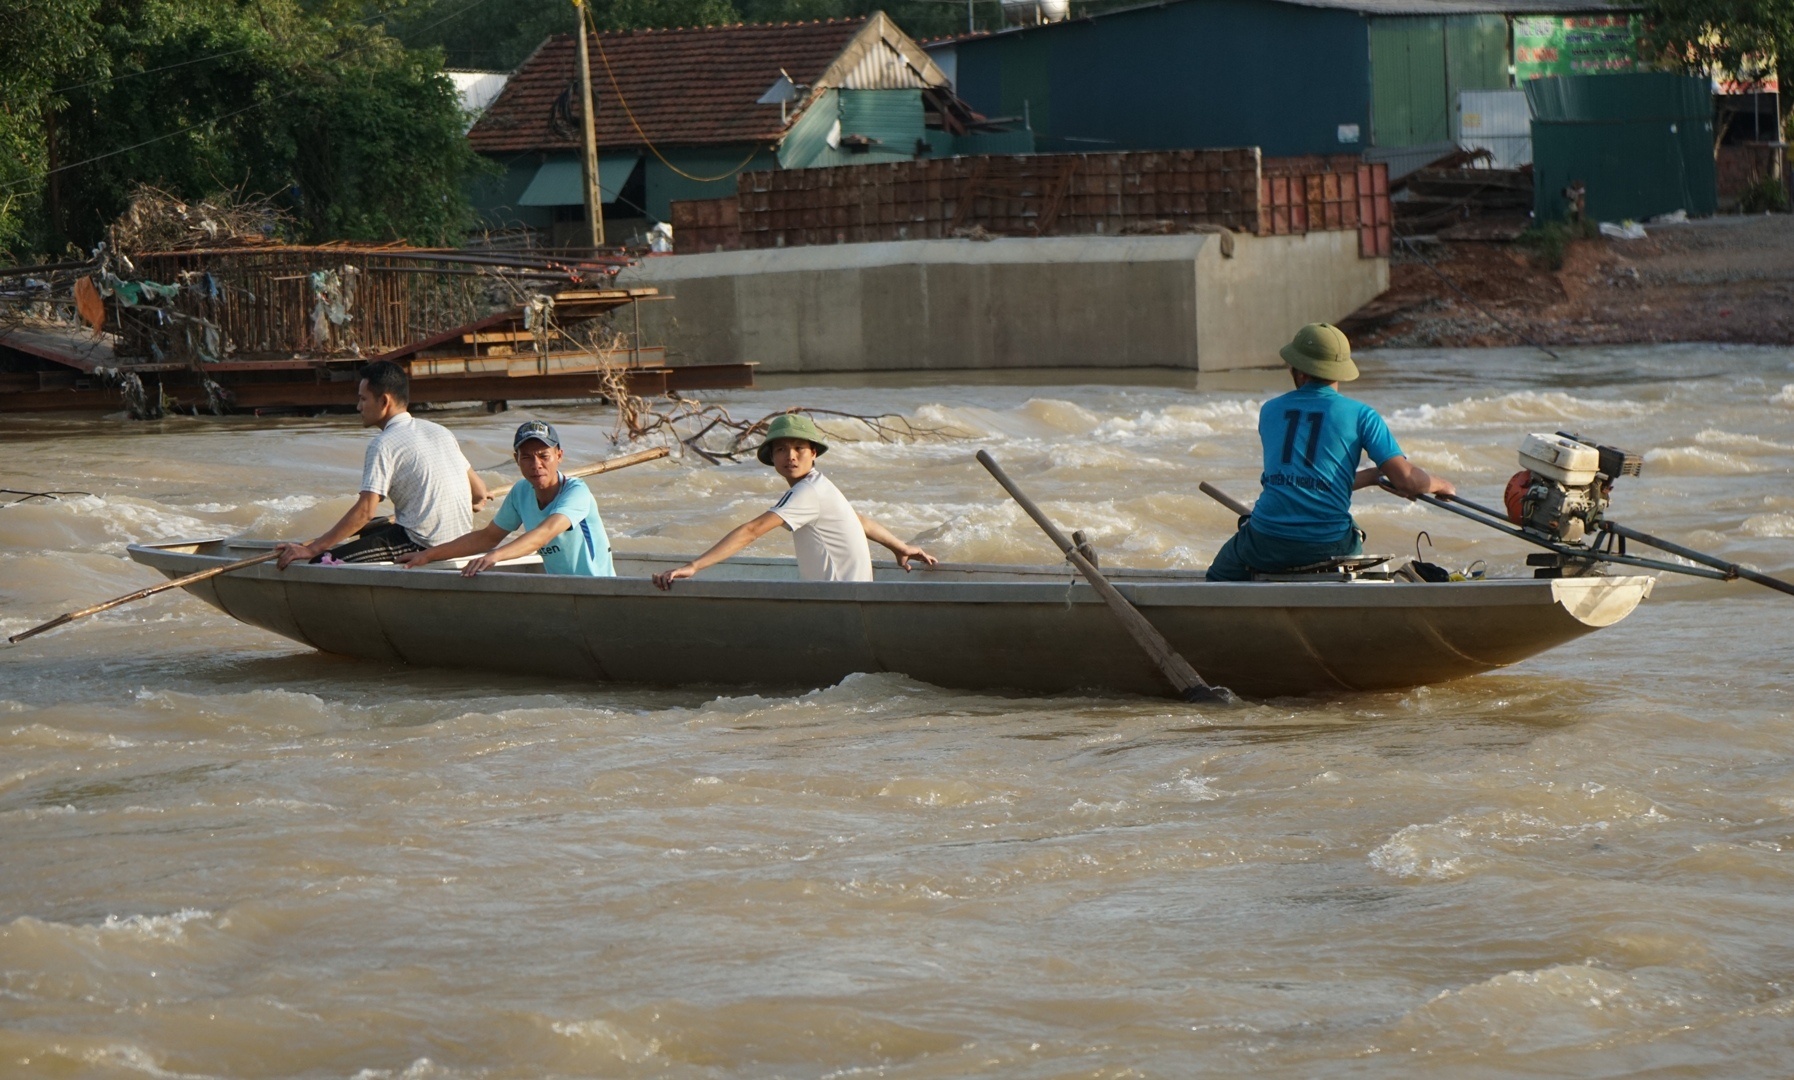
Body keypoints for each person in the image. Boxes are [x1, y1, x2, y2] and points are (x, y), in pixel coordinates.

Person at [1205, 323, 1455, 582]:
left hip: (1265, 541)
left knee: (1217, 576)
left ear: (1300, 372)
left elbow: (1302, 480)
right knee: (1354, 531)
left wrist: (1371, 476)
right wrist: (1441, 484)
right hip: (1328, 543)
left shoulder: (1270, 411)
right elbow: (1406, 480)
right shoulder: (1362, 415)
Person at [651, 413, 936, 589]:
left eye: (799, 448)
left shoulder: (806, 492)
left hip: (838, 603)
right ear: (772, 458)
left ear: (813, 453)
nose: (791, 456)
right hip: (847, 597)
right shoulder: (819, 486)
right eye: (781, 449)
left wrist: (694, 566)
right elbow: (858, 520)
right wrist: (901, 547)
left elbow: (752, 531)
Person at [276, 360, 489, 569]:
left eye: (363, 399)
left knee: (321, 562)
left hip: (421, 544)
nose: (358, 406)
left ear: (384, 401)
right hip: (460, 544)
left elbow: (364, 512)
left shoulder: (383, 444)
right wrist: (473, 503)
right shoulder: (440, 431)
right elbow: (479, 492)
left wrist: (313, 549)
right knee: (371, 530)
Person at [398, 420, 613, 577]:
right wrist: (429, 555)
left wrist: (495, 556)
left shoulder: (576, 492)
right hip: (562, 589)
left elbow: (543, 535)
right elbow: (488, 537)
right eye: (526, 457)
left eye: (543, 456)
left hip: (598, 587)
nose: (536, 464)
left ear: (559, 456)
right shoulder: (521, 491)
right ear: (516, 460)